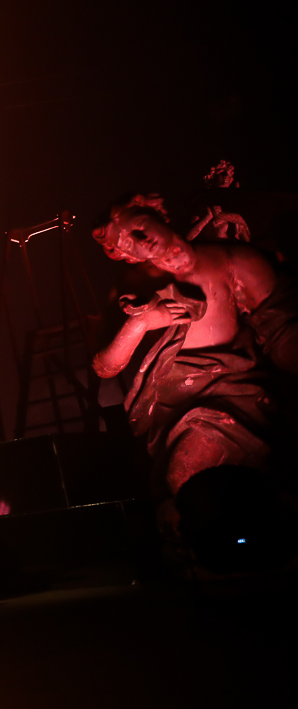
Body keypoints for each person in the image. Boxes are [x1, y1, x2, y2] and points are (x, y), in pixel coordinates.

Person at [90, 194, 295, 507]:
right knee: (188, 479)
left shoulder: (233, 260)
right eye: (129, 244)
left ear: (160, 215)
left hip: (240, 393)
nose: (143, 242)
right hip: (178, 405)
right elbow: (105, 366)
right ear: (125, 256)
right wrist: (140, 323)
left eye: (141, 227)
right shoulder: (133, 287)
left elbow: (283, 332)